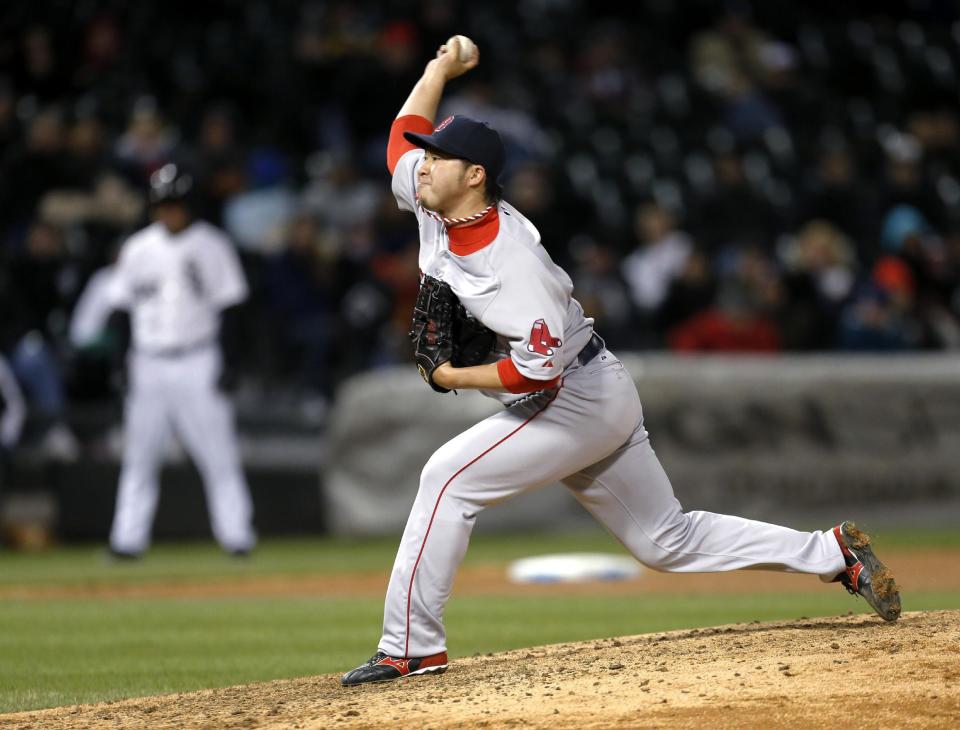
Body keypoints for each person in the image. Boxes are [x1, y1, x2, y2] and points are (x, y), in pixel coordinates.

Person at [339, 38, 901, 687]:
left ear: (475, 176)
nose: (422, 164)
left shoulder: (514, 266)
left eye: (440, 157)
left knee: (446, 479)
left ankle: (411, 647)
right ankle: (832, 553)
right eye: (429, 154)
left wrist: (452, 376)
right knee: (666, 540)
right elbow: (398, 140)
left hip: (569, 397)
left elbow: (534, 375)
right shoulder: (436, 196)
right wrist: (439, 68)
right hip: (592, 385)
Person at [104, 163, 255, 558]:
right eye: (163, 204)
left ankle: (237, 538)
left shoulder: (212, 244)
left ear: (189, 206)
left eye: (175, 204)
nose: (169, 211)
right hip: (148, 361)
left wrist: (230, 362)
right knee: (139, 456)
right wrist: (121, 364)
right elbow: (120, 312)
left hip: (198, 358)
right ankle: (126, 542)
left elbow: (232, 310)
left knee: (219, 454)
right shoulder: (138, 248)